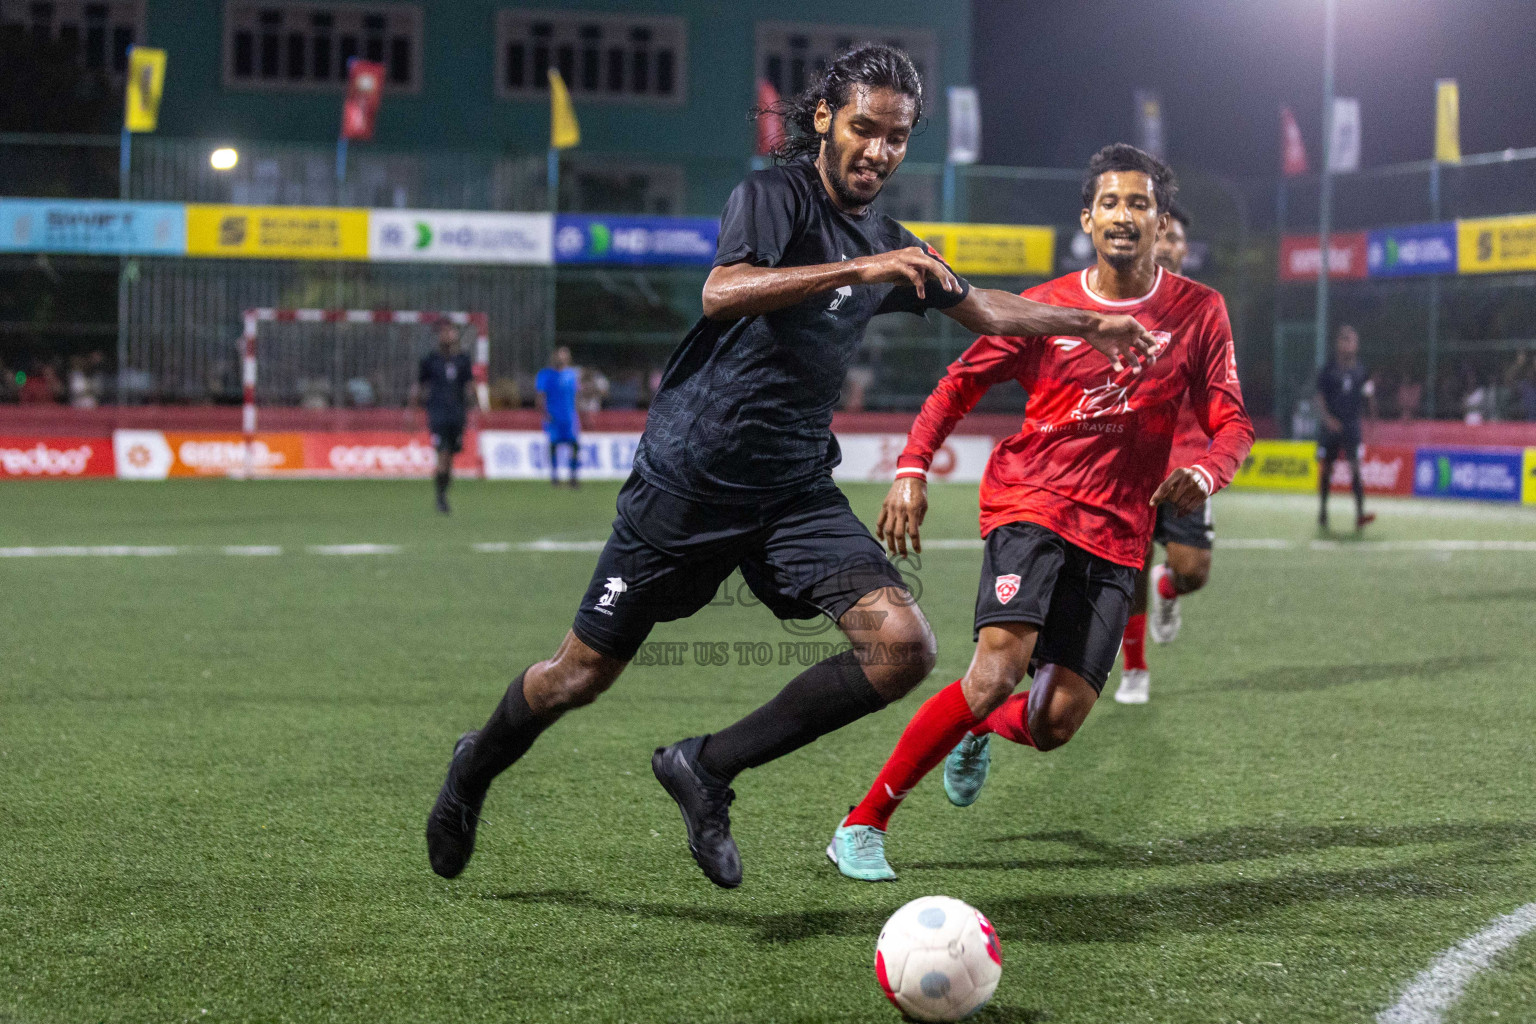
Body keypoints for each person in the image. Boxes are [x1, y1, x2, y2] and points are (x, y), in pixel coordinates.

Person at [425, 46, 1160, 891]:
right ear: (824, 119)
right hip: (687, 483)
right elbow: (724, 289)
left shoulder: (892, 240)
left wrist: (1083, 323)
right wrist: (864, 268)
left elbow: (982, 306)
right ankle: (473, 769)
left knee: (902, 648)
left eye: (897, 137)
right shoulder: (773, 197)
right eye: (865, 128)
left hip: (793, 491)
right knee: (577, 676)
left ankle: (705, 768)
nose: (880, 151)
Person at [825, 144, 1254, 881]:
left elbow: (1233, 422)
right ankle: (863, 824)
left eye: (1140, 204)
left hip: (1121, 533)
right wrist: (910, 470)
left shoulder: (1199, 312)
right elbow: (955, 387)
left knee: (1054, 722)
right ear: (1088, 218)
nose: (1125, 216)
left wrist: (1206, 472)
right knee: (996, 671)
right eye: (1111, 203)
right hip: (1034, 503)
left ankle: (978, 730)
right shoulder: (1044, 307)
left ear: (1161, 223)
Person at [1112, 202, 1214, 705]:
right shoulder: (1118, 305)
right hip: (1129, 467)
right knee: (1128, 570)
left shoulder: (1205, 310)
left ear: (1184, 251)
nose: (1169, 246)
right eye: (1162, 237)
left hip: (1188, 464)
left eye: (1177, 240)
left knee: (1193, 571)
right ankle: (1135, 670)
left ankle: (1169, 591)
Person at [414, 321, 483, 515]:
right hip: (437, 413)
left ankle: (444, 486)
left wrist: (477, 405)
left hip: (457, 414)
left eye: (450, 332)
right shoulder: (430, 360)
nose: (447, 336)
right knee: (442, 453)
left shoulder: (463, 360)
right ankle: (441, 497)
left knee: (451, 454)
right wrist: (412, 411)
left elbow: (469, 385)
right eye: (443, 332)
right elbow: (420, 386)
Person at [1315, 325, 1376, 531]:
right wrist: (1327, 419)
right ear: (1338, 344)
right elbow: (1320, 398)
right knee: (1327, 470)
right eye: (1345, 340)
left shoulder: (1361, 370)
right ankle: (1323, 512)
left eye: (1352, 340)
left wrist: (1372, 418)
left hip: (1351, 426)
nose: (1348, 344)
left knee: (1356, 469)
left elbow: (1368, 395)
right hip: (1332, 426)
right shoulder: (1328, 369)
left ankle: (1360, 515)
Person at [535, 347, 581, 488]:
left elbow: (575, 396)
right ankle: (554, 476)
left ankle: (573, 476)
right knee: (554, 445)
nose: (562, 359)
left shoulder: (572, 374)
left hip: (569, 416)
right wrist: (545, 413)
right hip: (553, 416)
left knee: (574, 445)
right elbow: (540, 396)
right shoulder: (546, 375)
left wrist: (578, 413)